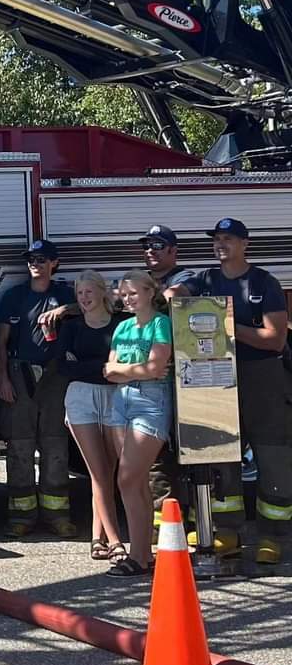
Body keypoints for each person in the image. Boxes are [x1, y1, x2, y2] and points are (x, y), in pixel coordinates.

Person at [168, 218, 292, 564]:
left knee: (273, 458)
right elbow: (180, 294)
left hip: (262, 377)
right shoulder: (206, 279)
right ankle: (227, 531)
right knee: (221, 455)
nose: (221, 244)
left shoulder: (263, 282)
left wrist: (224, 324)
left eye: (229, 239)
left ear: (245, 244)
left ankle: (271, 536)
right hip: (216, 377)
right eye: (217, 239)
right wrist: (172, 294)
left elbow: (275, 339)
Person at [0, 239, 77, 538]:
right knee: (20, 445)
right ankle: (22, 514)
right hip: (19, 374)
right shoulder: (13, 297)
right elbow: (0, 342)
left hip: (56, 375)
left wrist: (67, 308)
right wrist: (2, 379)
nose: (35, 263)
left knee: (55, 444)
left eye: (42, 259)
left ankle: (57, 515)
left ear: (54, 263)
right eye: (31, 258)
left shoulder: (66, 294)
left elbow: (99, 303)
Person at [103, 270, 173, 576]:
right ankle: (144, 556)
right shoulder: (122, 327)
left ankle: (138, 554)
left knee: (127, 479)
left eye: (133, 293)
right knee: (137, 480)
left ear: (149, 292)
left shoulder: (160, 323)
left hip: (150, 401)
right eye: (124, 294)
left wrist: (125, 369)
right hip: (122, 400)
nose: (128, 299)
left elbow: (157, 368)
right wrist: (137, 369)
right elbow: (108, 370)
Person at [58, 271, 128, 563]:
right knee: (98, 472)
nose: (84, 298)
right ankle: (116, 542)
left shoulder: (121, 325)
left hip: (116, 397)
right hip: (80, 399)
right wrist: (104, 367)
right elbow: (64, 367)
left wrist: (89, 365)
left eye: (88, 292)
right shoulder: (71, 327)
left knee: (110, 472)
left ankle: (96, 537)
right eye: (79, 294)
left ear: (102, 293)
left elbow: (123, 363)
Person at [138, 225, 194, 538]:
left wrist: (138, 294)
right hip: (151, 377)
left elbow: (175, 296)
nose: (151, 251)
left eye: (158, 245)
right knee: (156, 451)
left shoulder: (185, 277)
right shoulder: (141, 282)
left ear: (173, 250)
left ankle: (196, 518)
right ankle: (165, 522)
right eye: (147, 246)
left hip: (181, 378)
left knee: (189, 449)